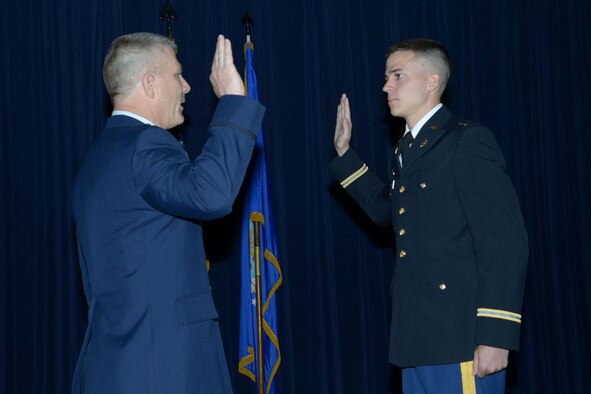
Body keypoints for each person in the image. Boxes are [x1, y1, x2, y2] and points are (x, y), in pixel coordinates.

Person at [330, 39, 528, 393]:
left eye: (398, 75)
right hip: (416, 337)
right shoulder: (406, 149)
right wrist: (345, 155)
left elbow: (505, 242)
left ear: (432, 81)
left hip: (460, 337)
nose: (386, 86)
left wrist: (497, 333)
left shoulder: (466, 142)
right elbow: (384, 212)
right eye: (387, 76)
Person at [71, 32, 265, 394]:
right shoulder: (145, 143)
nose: (188, 86)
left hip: (116, 366)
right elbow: (210, 195)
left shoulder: (94, 164)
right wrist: (235, 101)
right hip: (163, 368)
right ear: (149, 83)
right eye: (178, 75)